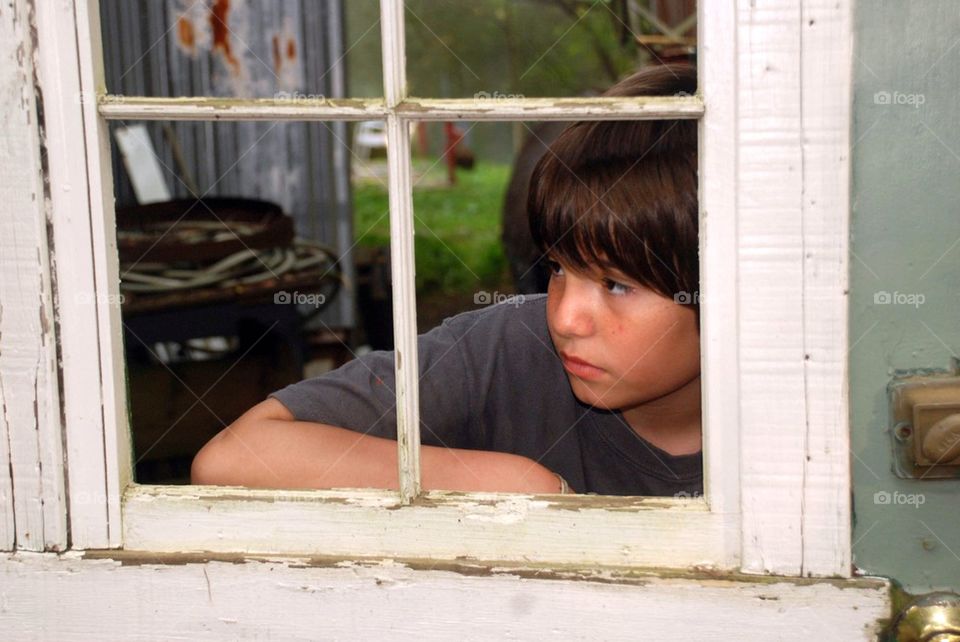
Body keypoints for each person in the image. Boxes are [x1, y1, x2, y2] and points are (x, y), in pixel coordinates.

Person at [191, 63, 702, 496]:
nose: (566, 318)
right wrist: (512, 484)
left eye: (615, 284)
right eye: (557, 268)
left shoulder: (758, 439)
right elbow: (230, 458)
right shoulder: (507, 351)